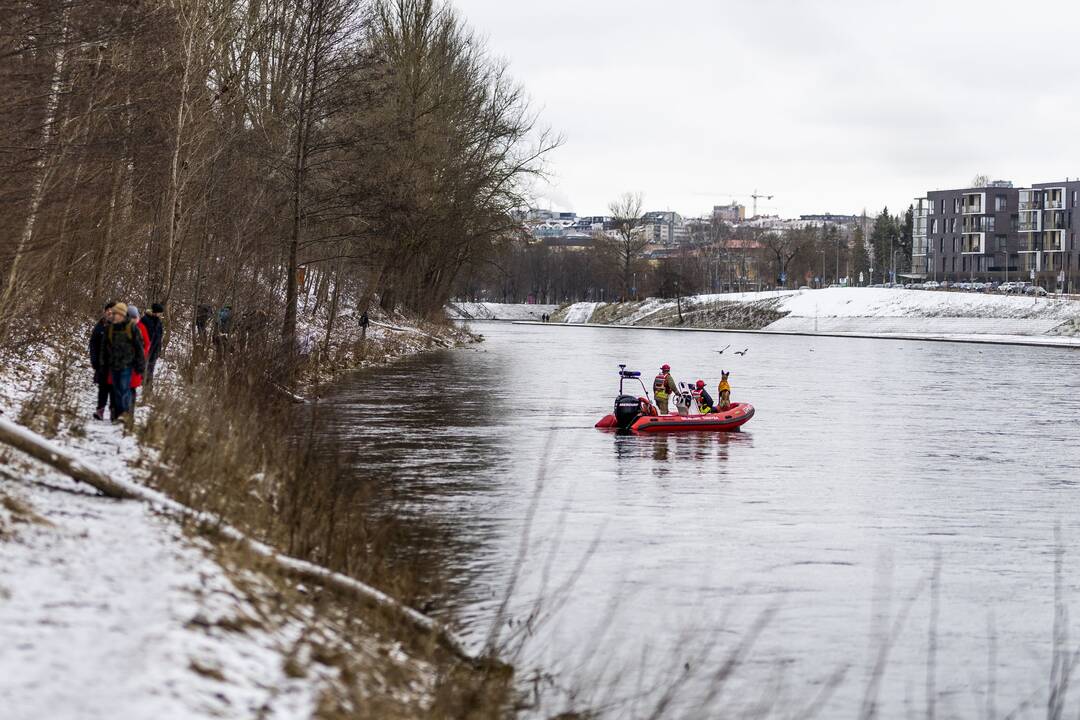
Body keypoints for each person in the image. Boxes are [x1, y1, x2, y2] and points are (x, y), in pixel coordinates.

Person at [99, 302, 145, 423]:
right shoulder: (110, 328)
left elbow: (139, 346)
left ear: (123, 315)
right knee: (117, 390)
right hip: (113, 364)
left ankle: (124, 413)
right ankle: (120, 413)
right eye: (114, 314)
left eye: (118, 314)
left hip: (127, 364)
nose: (115, 316)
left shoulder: (132, 328)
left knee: (124, 389)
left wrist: (140, 364)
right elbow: (104, 347)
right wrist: (102, 363)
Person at [89, 300, 116, 420]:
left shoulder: (120, 326)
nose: (109, 313)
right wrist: (94, 360)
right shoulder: (99, 326)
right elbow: (93, 344)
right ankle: (100, 409)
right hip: (102, 363)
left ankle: (113, 410)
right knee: (103, 388)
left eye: (112, 311)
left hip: (116, 363)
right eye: (108, 311)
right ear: (105, 312)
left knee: (115, 389)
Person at [126, 305, 152, 405]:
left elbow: (147, 343)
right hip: (123, 362)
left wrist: (142, 356)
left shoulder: (141, 327)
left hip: (136, 362)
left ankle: (129, 413)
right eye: (131, 317)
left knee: (131, 388)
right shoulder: (122, 326)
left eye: (134, 317)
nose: (133, 319)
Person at [140, 302, 165, 390]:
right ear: (155, 312)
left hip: (154, 351)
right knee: (143, 370)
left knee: (150, 370)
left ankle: (147, 390)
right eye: (160, 313)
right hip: (145, 350)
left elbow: (159, 337)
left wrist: (158, 350)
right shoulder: (144, 320)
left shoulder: (159, 322)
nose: (161, 315)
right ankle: (143, 389)